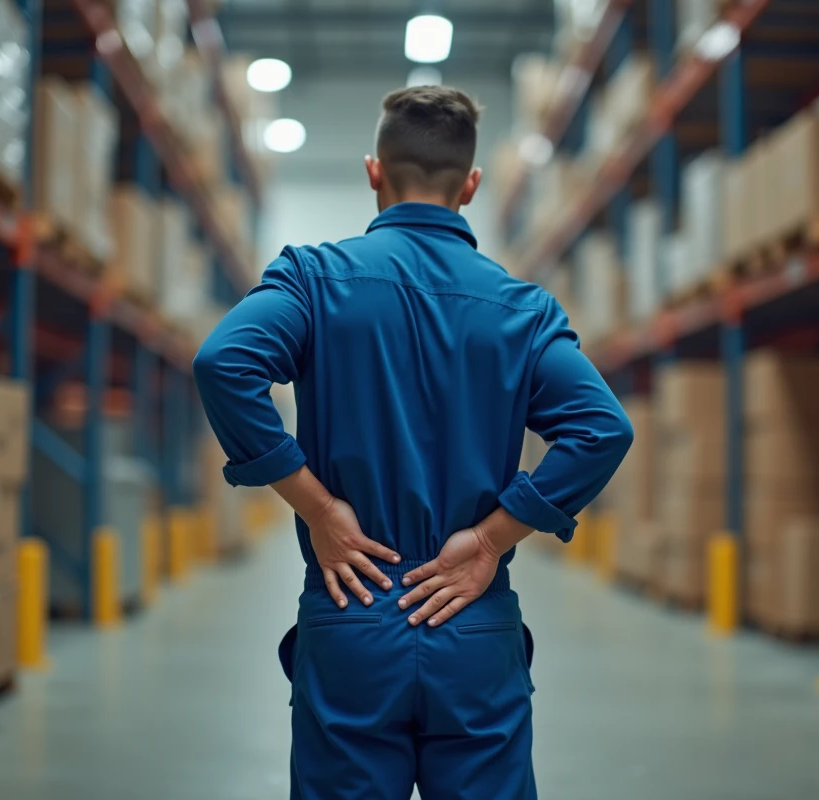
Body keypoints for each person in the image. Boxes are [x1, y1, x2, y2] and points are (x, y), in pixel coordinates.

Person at [193, 85, 632, 800]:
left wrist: (319, 509)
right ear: (472, 183)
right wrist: (491, 540)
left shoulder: (313, 280)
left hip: (351, 604)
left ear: (374, 172)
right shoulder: (522, 310)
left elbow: (223, 363)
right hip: (470, 616)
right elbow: (603, 427)